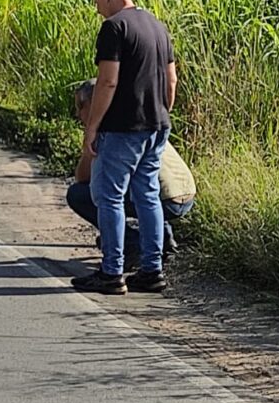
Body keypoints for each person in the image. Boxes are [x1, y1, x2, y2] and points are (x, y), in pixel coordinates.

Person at [71, 0, 176, 295]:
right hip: (156, 126)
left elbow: (108, 81)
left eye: (96, 1)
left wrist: (93, 127)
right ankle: (151, 269)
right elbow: (171, 81)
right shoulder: (157, 26)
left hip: (122, 128)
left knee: (109, 196)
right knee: (148, 195)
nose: (96, 8)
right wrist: (160, 111)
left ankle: (112, 271)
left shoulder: (113, 28)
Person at [66, 78, 195, 267]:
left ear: (95, 103)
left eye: (80, 106)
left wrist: (89, 139)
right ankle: (163, 238)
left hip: (164, 200)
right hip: (185, 195)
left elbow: (84, 178)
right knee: (144, 182)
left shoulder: (110, 130)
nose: (78, 113)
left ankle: (131, 243)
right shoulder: (138, 118)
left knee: (81, 194)